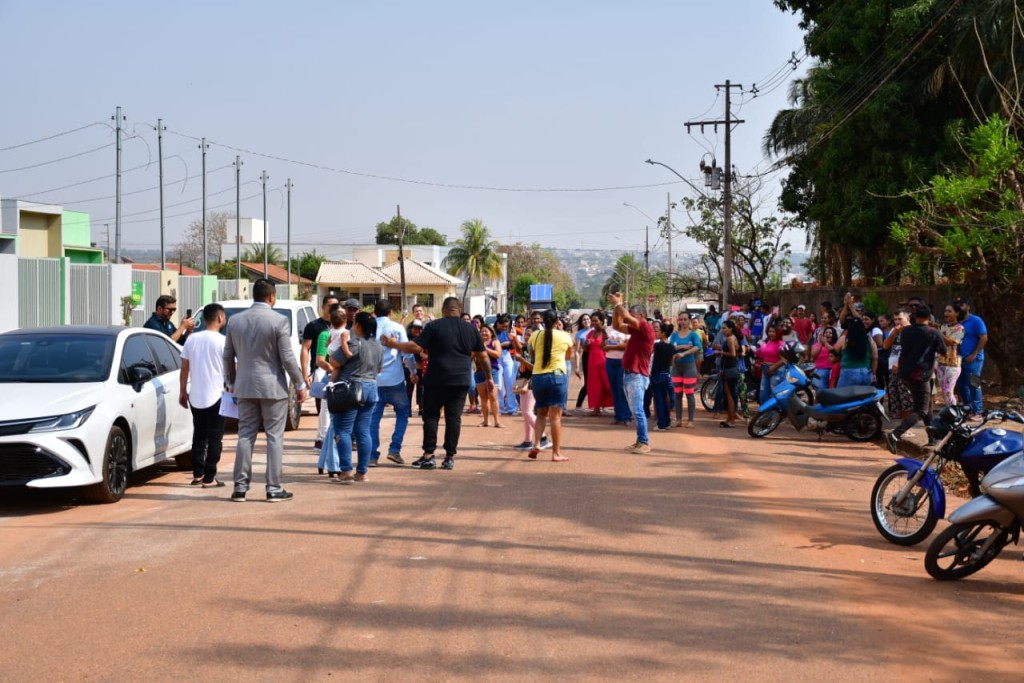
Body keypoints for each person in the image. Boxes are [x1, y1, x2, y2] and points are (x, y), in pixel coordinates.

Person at [223, 279, 307, 502]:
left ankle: (240, 488)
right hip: (273, 387)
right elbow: (287, 357)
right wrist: (299, 383)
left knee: (245, 435)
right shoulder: (279, 320)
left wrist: (231, 382)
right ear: (271, 297)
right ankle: (273, 488)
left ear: (254, 295)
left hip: (244, 386)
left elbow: (227, 355)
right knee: (274, 437)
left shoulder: (235, 321)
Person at [383, 296, 489, 470]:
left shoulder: (434, 326)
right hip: (460, 380)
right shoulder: (471, 329)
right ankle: (449, 457)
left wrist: (394, 344)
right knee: (453, 418)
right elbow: (483, 356)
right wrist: (489, 378)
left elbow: (415, 347)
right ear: (459, 310)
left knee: (431, 416)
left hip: (436, 379)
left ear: (444, 310)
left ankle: (429, 455)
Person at [328, 312, 382, 483]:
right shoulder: (377, 344)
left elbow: (334, 362)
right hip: (371, 388)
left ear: (357, 325)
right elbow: (379, 369)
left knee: (343, 430)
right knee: (363, 431)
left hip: (352, 389)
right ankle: (362, 472)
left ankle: (346, 471)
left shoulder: (353, 342)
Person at [886, 304, 946, 453]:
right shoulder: (932, 332)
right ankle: (895, 434)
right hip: (921, 374)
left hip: (906, 373)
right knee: (921, 410)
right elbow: (943, 351)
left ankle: (933, 437)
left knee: (926, 405)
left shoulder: (906, 331)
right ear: (929, 317)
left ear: (914, 316)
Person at [178, 303, 226, 488]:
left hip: (196, 395)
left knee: (199, 435)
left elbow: (184, 368)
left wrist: (182, 391)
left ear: (204, 319)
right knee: (215, 437)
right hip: (217, 395)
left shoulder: (192, 339)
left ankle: (198, 474)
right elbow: (232, 368)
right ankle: (209, 477)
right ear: (220, 318)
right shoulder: (223, 341)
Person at [608, 292, 655, 453]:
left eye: (633, 315)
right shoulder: (636, 331)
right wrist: (617, 308)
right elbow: (617, 325)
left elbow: (626, 317)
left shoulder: (645, 327)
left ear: (641, 316)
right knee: (636, 410)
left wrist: (618, 304)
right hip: (630, 375)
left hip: (637, 376)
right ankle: (639, 440)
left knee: (637, 410)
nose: (630, 318)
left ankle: (644, 442)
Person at [369, 299, 414, 467]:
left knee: (373, 419)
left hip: (374, 380)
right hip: (395, 380)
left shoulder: (369, 329)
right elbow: (407, 354)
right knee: (403, 413)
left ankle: (372, 455)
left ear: (374, 312)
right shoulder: (397, 328)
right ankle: (394, 449)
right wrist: (413, 372)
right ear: (390, 312)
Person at [526, 309, 573, 461]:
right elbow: (568, 356)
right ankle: (556, 453)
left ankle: (537, 444)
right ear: (556, 321)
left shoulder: (535, 335)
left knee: (541, 413)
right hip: (557, 376)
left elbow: (532, 354)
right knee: (555, 418)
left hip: (538, 376)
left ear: (542, 320)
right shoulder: (564, 335)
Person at [301, 295, 340, 449]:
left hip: (337, 372)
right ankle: (323, 439)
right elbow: (305, 349)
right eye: (330, 306)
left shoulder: (342, 329)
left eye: (336, 306)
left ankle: (327, 438)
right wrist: (305, 373)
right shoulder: (315, 326)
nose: (334, 309)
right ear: (323, 307)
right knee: (324, 406)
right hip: (321, 371)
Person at [954, 295, 988, 418]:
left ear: (968, 306)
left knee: (974, 384)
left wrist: (974, 354)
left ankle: (978, 411)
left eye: (961, 305)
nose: (959, 307)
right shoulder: (957, 322)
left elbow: (984, 338)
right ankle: (969, 409)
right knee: (962, 385)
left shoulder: (976, 320)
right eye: (957, 305)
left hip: (973, 359)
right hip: (959, 359)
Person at [670, 314, 702, 428]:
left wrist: (683, 353)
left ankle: (690, 420)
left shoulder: (693, 334)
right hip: (676, 367)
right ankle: (678, 419)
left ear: (689, 321)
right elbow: (671, 348)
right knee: (677, 393)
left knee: (689, 393)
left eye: (685, 319)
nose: (683, 321)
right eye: (681, 319)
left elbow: (697, 347)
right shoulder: (674, 335)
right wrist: (682, 347)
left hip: (689, 367)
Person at [833, 317, 877, 387]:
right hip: (866, 372)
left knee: (843, 393)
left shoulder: (844, 339)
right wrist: (873, 373)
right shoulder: (869, 339)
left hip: (848, 372)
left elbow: (834, 352)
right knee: (865, 394)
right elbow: (875, 357)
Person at [603, 314, 630, 425]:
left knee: (621, 388)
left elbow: (626, 346)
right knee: (614, 389)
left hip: (622, 361)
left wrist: (610, 347)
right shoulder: (607, 329)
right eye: (614, 316)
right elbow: (602, 346)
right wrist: (606, 345)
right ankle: (618, 415)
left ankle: (626, 415)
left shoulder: (626, 328)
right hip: (610, 361)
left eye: (618, 316)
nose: (616, 318)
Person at [937, 303, 965, 406]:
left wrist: (938, 332)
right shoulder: (942, 326)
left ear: (957, 313)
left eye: (949, 311)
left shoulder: (960, 328)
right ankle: (950, 410)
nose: (946, 313)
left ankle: (953, 411)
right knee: (944, 391)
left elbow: (951, 342)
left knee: (948, 391)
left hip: (953, 364)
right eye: (945, 311)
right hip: (940, 362)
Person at [476, 324, 504, 428]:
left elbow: (498, 354)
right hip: (479, 372)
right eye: (482, 331)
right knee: (483, 397)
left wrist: (485, 349)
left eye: (486, 331)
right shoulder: (476, 343)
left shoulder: (495, 342)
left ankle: (497, 421)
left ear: (491, 333)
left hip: (493, 371)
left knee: (493, 397)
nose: (484, 333)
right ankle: (486, 421)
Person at [650, 323, 676, 431]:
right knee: (665, 399)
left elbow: (649, 354)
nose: (656, 332)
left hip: (656, 374)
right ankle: (667, 422)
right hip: (666, 374)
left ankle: (661, 424)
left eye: (658, 331)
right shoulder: (672, 347)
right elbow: (671, 363)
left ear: (663, 333)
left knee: (659, 400)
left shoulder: (657, 345)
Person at [755, 324, 786, 405]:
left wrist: (772, 369)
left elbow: (783, 360)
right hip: (766, 369)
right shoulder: (769, 342)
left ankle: (775, 412)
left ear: (778, 333)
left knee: (774, 394)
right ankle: (766, 411)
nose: (770, 333)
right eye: (769, 331)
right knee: (763, 394)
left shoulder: (780, 344)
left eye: (773, 332)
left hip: (776, 371)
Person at [718, 319, 741, 427]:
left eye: (724, 328)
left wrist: (721, 352)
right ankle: (729, 418)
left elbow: (732, 354)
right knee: (730, 394)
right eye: (722, 328)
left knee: (729, 395)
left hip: (729, 368)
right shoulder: (733, 338)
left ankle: (731, 420)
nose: (723, 330)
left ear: (730, 329)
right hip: (731, 368)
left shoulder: (730, 338)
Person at [495, 315, 519, 416]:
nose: (505, 328)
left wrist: (506, 343)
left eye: (506, 326)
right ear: (498, 323)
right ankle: (500, 408)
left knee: (510, 382)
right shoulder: (492, 331)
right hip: (496, 358)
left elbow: (512, 344)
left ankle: (512, 408)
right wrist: (502, 344)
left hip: (506, 356)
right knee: (499, 385)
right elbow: (492, 344)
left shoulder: (508, 330)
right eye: (503, 326)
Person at [572, 313, 592, 410]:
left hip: (599, 357)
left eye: (588, 319)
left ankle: (601, 405)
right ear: (581, 322)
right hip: (587, 357)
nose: (586, 321)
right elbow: (577, 351)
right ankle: (579, 405)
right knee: (588, 383)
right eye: (584, 319)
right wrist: (577, 367)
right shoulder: (579, 334)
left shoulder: (596, 330)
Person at [809, 326, 838, 392]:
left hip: (833, 371)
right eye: (826, 332)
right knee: (820, 392)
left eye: (830, 333)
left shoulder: (836, 345)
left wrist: (825, 343)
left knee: (831, 392)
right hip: (820, 371)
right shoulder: (817, 345)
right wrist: (821, 344)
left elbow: (834, 352)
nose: (828, 334)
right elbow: (813, 355)